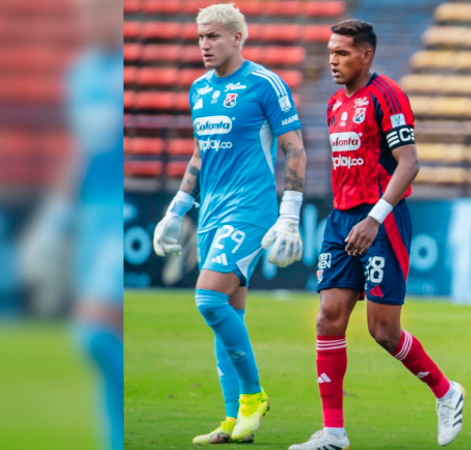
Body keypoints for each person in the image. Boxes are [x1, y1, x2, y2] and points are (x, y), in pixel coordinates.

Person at [288, 19, 465, 450]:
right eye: (330, 52)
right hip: (341, 220)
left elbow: (409, 163)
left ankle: (447, 392)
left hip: (380, 220)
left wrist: (375, 218)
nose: (333, 60)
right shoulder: (334, 105)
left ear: (366, 56)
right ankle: (333, 433)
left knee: (383, 331)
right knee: (328, 317)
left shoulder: (387, 95)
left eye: (343, 53)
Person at [150, 3, 306, 444]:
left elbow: (294, 149)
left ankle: (253, 397)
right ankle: (233, 419)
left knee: (208, 300)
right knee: (228, 312)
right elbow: (200, 154)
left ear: (238, 38)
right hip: (211, 212)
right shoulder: (198, 90)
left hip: (251, 209)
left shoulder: (264, 84)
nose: (205, 45)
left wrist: (289, 216)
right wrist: (175, 210)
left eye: (214, 37)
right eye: (201, 37)